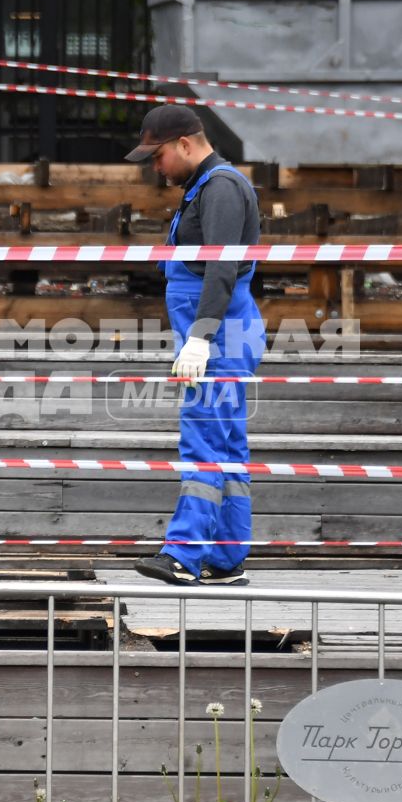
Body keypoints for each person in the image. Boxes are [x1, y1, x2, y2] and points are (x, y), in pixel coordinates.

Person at [124, 104, 265, 587]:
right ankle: (226, 558)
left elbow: (222, 268)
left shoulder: (222, 187)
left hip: (220, 334)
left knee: (203, 439)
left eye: (158, 156)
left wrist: (201, 338)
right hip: (223, 332)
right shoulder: (205, 187)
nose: (155, 168)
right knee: (226, 443)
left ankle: (183, 555)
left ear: (185, 144)